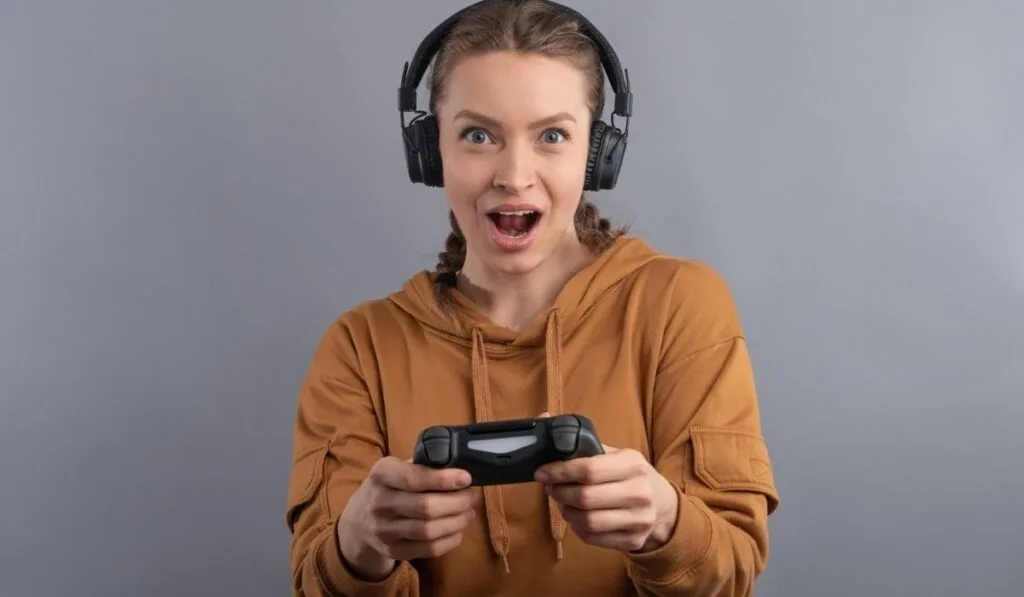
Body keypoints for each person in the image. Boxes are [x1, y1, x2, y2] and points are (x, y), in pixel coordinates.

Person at [284, 1, 780, 595]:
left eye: (551, 135)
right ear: (428, 151)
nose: (514, 174)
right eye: (477, 135)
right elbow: (316, 581)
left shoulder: (680, 305)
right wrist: (361, 546)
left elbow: (732, 573)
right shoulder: (359, 349)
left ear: (597, 155)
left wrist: (666, 523)